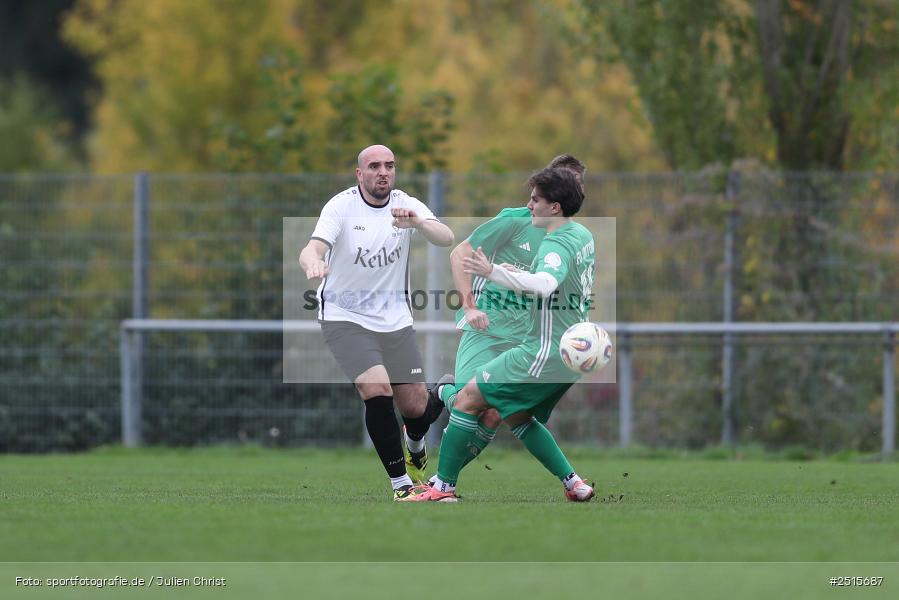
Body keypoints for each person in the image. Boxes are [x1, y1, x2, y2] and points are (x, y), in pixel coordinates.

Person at [411, 166, 596, 502]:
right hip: (489, 328)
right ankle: (444, 478)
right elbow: (460, 253)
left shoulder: (563, 236)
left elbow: (546, 284)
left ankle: (441, 479)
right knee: (475, 402)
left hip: (531, 339)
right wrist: (470, 307)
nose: (530, 203)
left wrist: (501, 272)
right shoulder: (519, 220)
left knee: (498, 411)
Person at [298, 144, 454, 501]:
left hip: (394, 320)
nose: (383, 172)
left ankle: (421, 427)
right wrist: (313, 262)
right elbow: (312, 248)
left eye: (389, 166)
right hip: (345, 317)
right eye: (374, 166)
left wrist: (419, 222)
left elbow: (446, 237)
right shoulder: (341, 206)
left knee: (415, 408)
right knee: (377, 389)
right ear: (360, 174)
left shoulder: (405, 203)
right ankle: (402, 486)